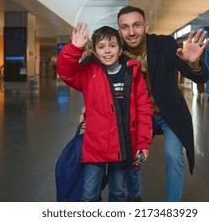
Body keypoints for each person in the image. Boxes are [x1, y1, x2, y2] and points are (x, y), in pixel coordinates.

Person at [117, 6, 209, 202]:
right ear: (119, 31)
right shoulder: (116, 52)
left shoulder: (164, 44)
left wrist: (193, 63)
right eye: (125, 27)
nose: (131, 32)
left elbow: (200, 77)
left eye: (136, 25)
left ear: (146, 26)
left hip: (170, 114)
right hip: (138, 116)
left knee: (173, 156)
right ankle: (134, 196)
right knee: (132, 158)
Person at [57, 23, 153, 202]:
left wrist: (143, 142)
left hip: (123, 147)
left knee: (117, 192)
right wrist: (74, 48)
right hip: (95, 146)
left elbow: (143, 110)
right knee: (89, 195)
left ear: (120, 48)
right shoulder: (88, 73)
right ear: (94, 51)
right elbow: (66, 73)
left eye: (112, 46)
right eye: (101, 47)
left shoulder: (133, 74)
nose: (107, 51)